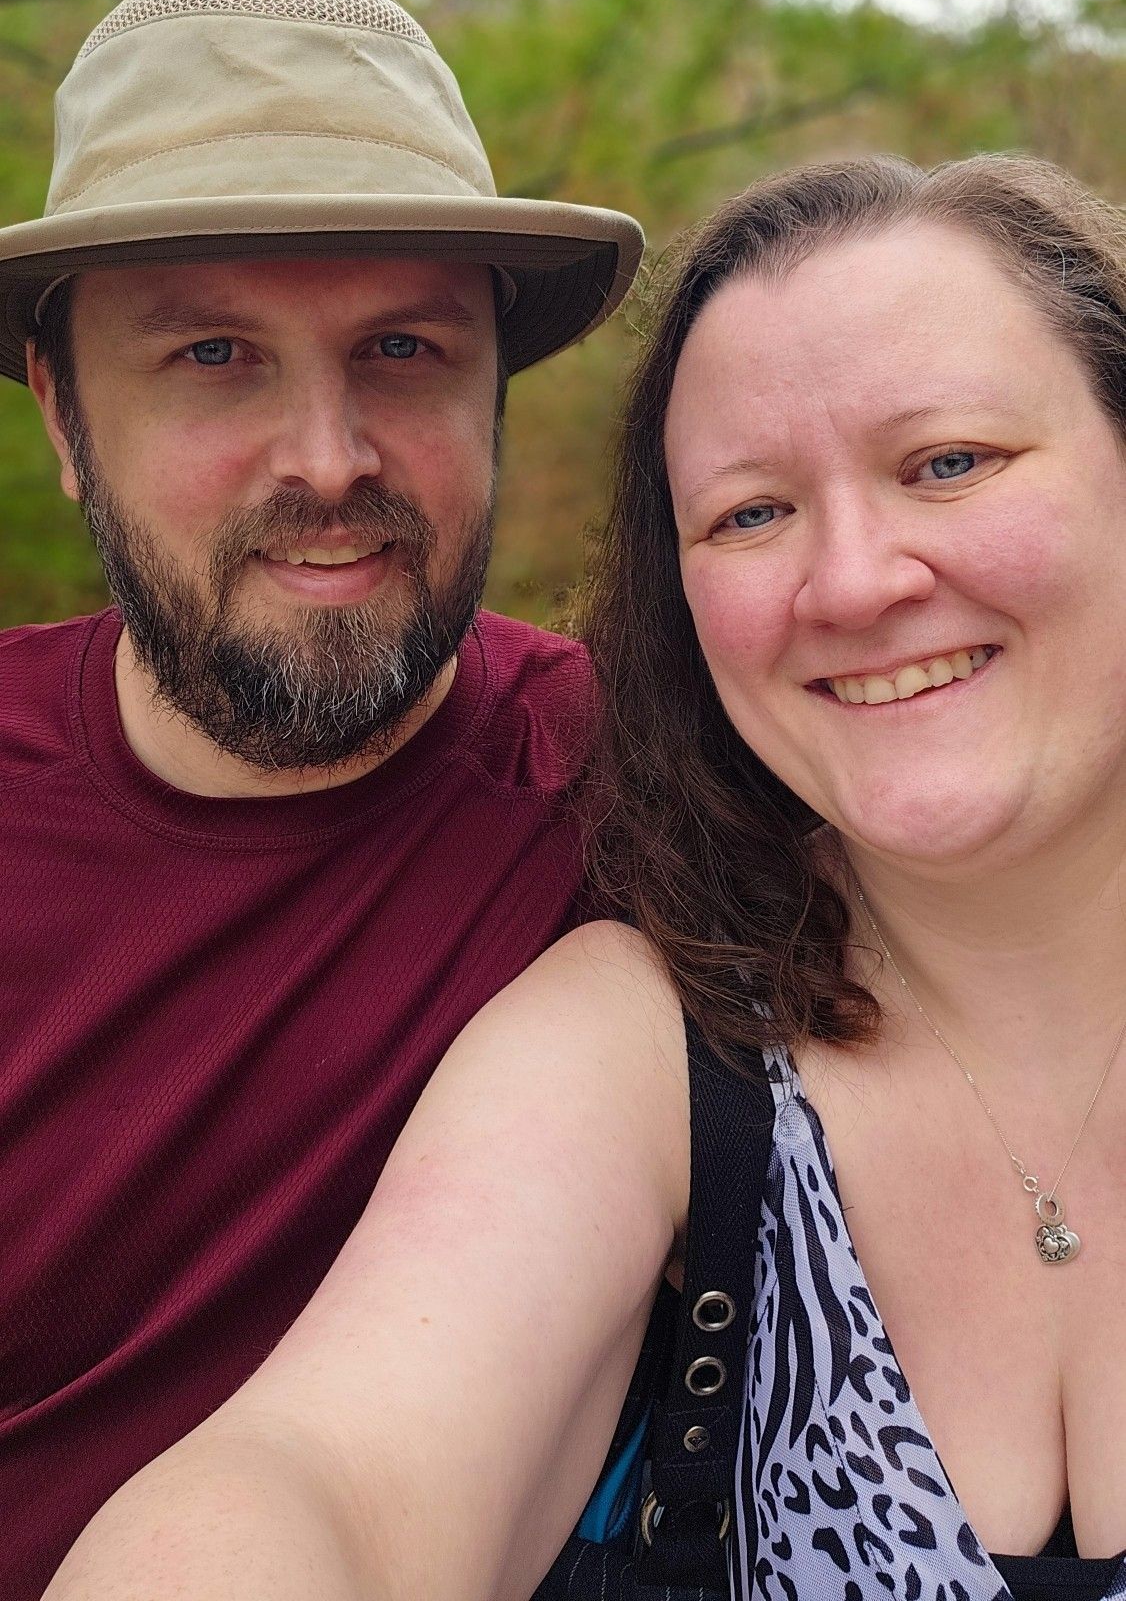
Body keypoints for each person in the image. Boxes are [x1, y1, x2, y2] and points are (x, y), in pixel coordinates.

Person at [41, 151, 1126, 1601]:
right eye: (749, 512)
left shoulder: (559, 768)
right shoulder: (644, 1035)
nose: (855, 582)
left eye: (949, 462)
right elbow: (333, 1478)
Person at [0, 0, 644, 1599]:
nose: (330, 457)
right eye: (213, 354)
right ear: (66, 419)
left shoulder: (651, 793)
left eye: (404, 350)